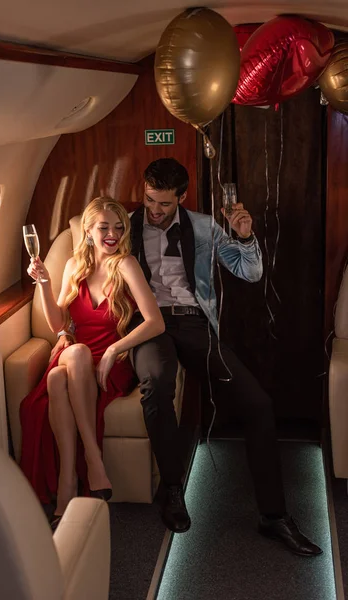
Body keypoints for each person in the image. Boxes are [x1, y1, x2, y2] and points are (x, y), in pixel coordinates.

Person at [53, 159, 322, 556]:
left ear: (181, 197)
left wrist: (245, 238)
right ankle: (174, 491)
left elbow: (250, 273)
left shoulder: (202, 225)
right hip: (146, 328)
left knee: (258, 403)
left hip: (193, 322)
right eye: (149, 200)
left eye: (164, 203)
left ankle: (274, 516)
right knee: (156, 388)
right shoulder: (123, 225)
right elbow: (89, 249)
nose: (155, 211)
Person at [20, 197, 165, 531]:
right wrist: (43, 282)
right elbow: (59, 326)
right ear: (87, 230)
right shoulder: (73, 266)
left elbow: (156, 322)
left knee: (59, 378)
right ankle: (91, 461)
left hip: (109, 362)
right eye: (103, 227)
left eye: (118, 227)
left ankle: (69, 485)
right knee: (73, 357)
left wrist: (116, 349)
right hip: (76, 354)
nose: (112, 234)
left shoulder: (126, 264)